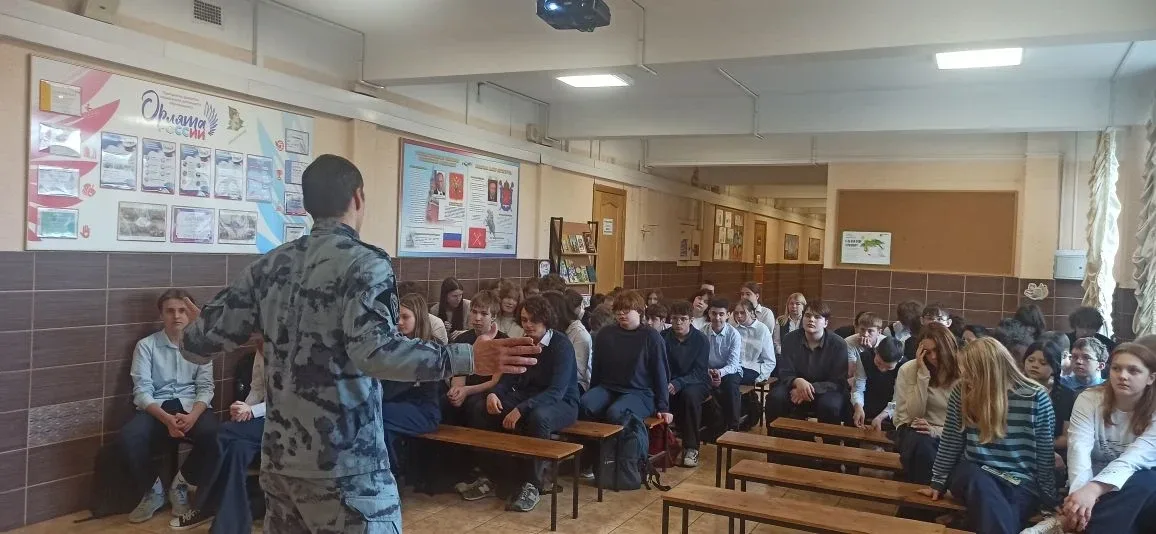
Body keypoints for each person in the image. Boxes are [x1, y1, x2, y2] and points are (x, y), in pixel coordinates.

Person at [178, 155, 541, 533]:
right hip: (345, 465)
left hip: (283, 464)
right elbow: (378, 352)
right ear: (358, 197)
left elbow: (196, 342)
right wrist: (466, 356)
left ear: (308, 204)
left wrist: (201, 326)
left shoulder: (268, 266)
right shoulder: (366, 263)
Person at [920, 337, 1056, 534]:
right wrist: (938, 482)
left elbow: (1044, 454)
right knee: (980, 483)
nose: (965, 378)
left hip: (1019, 481)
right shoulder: (962, 391)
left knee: (1002, 512)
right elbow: (951, 440)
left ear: (989, 372)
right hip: (975, 472)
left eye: (970, 373)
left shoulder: (1036, 397)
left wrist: (1049, 500)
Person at [467, 296, 580, 513]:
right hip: (528, 397)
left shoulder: (561, 345)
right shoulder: (523, 341)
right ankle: (496, 475)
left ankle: (533, 485)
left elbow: (556, 391)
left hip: (562, 402)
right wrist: (494, 394)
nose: (528, 325)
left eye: (533, 320)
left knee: (539, 417)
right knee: (479, 408)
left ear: (545, 320)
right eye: (524, 320)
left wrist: (521, 409)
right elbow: (508, 377)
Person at [124, 289, 219, 524]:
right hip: (158, 407)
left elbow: (206, 387)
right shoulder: (146, 346)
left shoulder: (202, 345)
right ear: (161, 315)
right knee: (130, 436)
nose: (176, 316)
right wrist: (166, 419)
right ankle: (153, 491)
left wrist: (193, 416)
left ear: (191, 314)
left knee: (216, 436)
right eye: (170, 311)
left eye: (182, 311)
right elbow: (142, 391)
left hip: (191, 405)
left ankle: (181, 485)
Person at [1042, 343, 1156, 534]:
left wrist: (1093, 490)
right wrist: (1078, 499)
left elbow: (1133, 459)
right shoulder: (1089, 399)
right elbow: (1078, 448)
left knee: (1146, 480)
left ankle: (1066, 524)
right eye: (1116, 368)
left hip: (1135, 486)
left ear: (1151, 378)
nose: (1123, 375)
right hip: (1090, 483)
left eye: (1133, 370)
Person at [170, 338, 268, 532]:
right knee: (236, 450)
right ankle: (226, 525)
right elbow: (257, 388)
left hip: (285, 424)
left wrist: (252, 411)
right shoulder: (260, 350)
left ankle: (202, 507)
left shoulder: (293, 351)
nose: (257, 343)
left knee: (222, 432)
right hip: (259, 421)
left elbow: (288, 401)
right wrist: (243, 410)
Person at [580, 290, 673, 428]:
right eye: (618, 310)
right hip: (608, 388)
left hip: (640, 392)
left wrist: (663, 407)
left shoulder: (651, 337)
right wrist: (593, 392)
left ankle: (626, 440)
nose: (621, 314)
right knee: (584, 404)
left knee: (616, 413)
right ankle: (590, 441)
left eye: (626, 310)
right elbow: (597, 367)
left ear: (639, 311)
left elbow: (660, 372)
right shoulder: (605, 334)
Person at [381, 294, 444, 473]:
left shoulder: (431, 347)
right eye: (397, 317)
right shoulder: (395, 344)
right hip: (397, 406)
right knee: (384, 429)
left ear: (419, 317)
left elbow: (402, 386)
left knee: (375, 413)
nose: (400, 322)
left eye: (405, 317)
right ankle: (390, 474)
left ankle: (390, 475)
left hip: (424, 411)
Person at [893, 323, 960, 485]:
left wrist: (936, 431)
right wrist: (923, 374)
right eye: (927, 352)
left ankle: (930, 493)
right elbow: (912, 416)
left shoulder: (963, 371)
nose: (933, 357)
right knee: (922, 445)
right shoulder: (909, 369)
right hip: (915, 428)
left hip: (951, 431)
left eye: (937, 350)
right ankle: (928, 493)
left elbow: (966, 419)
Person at [765, 300, 850, 427]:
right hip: (794, 386)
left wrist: (808, 389)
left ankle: (829, 439)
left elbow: (838, 380)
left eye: (817, 317)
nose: (811, 320)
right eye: (808, 316)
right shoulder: (789, 339)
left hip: (826, 389)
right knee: (775, 398)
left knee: (830, 406)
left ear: (826, 323)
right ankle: (774, 436)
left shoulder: (839, 344)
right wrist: (797, 381)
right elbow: (785, 371)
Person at [444, 291, 507, 426]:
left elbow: (496, 381)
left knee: (475, 406)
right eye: (474, 312)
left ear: (493, 317)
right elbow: (458, 373)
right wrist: (457, 390)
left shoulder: (503, 341)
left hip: (488, 390)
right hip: (465, 387)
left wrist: (466, 391)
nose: (477, 318)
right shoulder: (462, 338)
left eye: (484, 314)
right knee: (446, 401)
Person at [662, 301, 710, 468]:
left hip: (695, 381)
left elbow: (700, 371)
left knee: (689, 396)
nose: (678, 323)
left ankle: (691, 447)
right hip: (670, 381)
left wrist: (679, 383)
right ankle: (659, 442)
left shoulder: (701, 340)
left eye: (683, 319)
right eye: (675, 319)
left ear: (691, 320)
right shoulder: (663, 337)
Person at [702, 298, 744, 430]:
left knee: (731, 387)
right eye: (714, 313)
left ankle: (733, 426)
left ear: (728, 315)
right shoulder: (702, 333)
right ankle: (712, 425)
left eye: (721, 314)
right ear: (709, 313)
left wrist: (719, 373)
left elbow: (733, 364)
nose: (717, 318)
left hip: (730, 371)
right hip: (708, 370)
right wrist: (709, 372)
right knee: (698, 387)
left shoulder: (734, 334)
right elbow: (699, 360)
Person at [542, 290, 593, 393]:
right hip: (548, 380)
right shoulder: (546, 330)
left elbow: (578, 372)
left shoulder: (580, 334)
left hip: (574, 384)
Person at [851, 336, 904, 429]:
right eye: (878, 363)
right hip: (867, 398)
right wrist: (858, 406)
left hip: (890, 405)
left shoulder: (904, 367)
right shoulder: (865, 357)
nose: (882, 369)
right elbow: (858, 387)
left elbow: (898, 399)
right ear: (876, 351)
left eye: (889, 367)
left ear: (899, 360)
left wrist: (881, 417)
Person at [731, 299, 775, 385]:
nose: (739, 316)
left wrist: (761, 377)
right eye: (736, 313)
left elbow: (770, 360)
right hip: (735, 367)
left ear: (751, 313)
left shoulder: (762, 329)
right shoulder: (734, 330)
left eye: (742, 313)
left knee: (731, 379)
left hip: (753, 368)